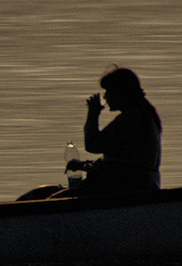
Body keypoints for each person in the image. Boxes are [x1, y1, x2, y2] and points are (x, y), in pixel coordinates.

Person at [68, 66, 161, 196]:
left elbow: (92, 145)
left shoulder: (131, 119)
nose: (105, 97)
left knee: (53, 199)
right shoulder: (145, 114)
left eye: (108, 91)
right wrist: (85, 165)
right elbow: (118, 158)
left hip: (122, 189)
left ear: (120, 92)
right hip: (132, 185)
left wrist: (93, 115)